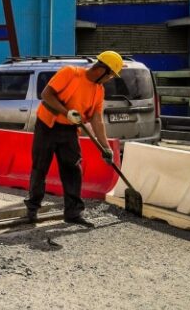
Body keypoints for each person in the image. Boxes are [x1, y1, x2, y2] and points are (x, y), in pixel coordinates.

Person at [25, 51, 123, 228]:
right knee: (40, 167)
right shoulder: (70, 73)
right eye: (110, 75)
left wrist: (105, 147)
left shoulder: (98, 90)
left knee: (73, 170)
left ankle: (73, 213)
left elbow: (97, 120)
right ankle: (32, 208)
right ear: (102, 70)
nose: (110, 79)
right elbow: (46, 95)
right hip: (47, 125)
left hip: (70, 130)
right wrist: (66, 112)